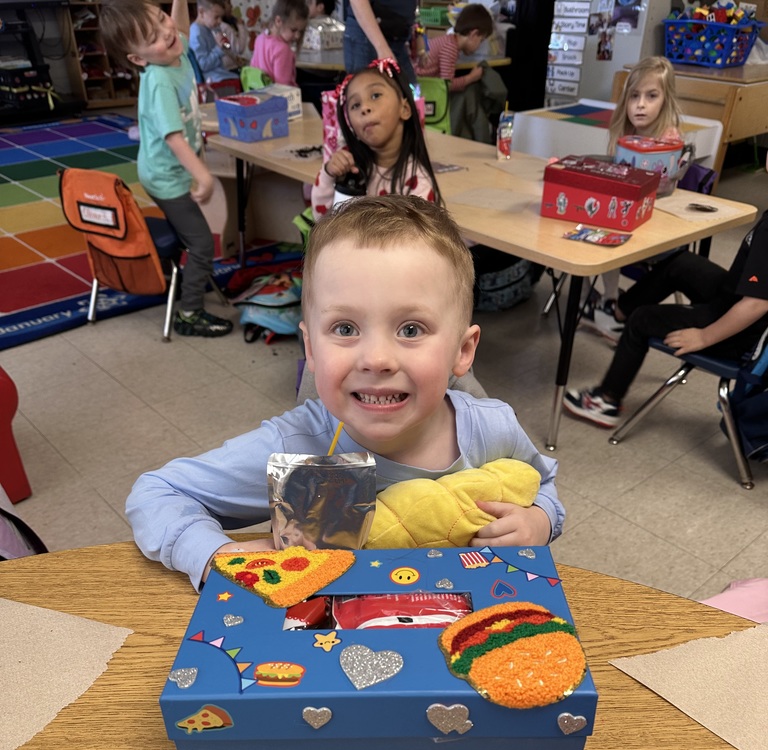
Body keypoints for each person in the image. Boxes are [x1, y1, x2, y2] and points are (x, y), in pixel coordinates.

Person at [126, 195, 565, 589]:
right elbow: (156, 493)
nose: (376, 358)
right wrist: (212, 555)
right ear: (311, 348)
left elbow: (542, 482)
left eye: (410, 329)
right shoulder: (297, 446)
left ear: (463, 349)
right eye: (345, 328)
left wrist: (540, 521)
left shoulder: (493, 428)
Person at [563, 196, 768, 429]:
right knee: (680, 263)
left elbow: (757, 304)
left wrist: (705, 337)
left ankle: (606, 401)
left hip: (739, 333)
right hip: (731, 298)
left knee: (642, 319)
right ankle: (617, 315)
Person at [100, 0, 233, 338]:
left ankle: (170, 270)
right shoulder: (159, 81)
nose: (167, 31)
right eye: (153, 35)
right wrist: (202, 173)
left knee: (190, 234)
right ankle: (189, 312)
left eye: (161, 18)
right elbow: (173, 137)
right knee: (202, 244)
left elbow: (181, 27)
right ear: (138, 58)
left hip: (167, 170)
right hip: (166, 177)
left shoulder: (174, 49)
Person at [584, 56, 684, 340]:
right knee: (597, 227)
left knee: (608, 231)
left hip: (658, 227)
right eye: (634, 96)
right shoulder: (626, 135)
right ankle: (609, 299)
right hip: (628, 218)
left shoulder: (668, 139)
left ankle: (612, 304)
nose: (640, 104)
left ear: (666, 100)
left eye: (651, 96)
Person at [311, 59, 441, 219]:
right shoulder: (349, 168)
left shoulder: (417, 182)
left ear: (405, 109)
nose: (365, 108)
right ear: (351, 125)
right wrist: (328, 174)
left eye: (375, 95)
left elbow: (416, 241)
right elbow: (321, 219)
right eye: (355, 105)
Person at [417, 4, 505, 144]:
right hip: (424, 90)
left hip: (424, 86)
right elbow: (447, 85)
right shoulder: (451, 48)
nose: (478, 47)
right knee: (470, 94)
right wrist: (471, 77)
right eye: (480, 41)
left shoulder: (449, 42)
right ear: (473, 34)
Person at [343, 0, 417, 85]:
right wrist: (381, 48)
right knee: (370, 91)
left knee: (409, 92)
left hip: (398, 35)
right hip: (369, 35)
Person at [251, 0, 309, 87]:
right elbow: (283, 88)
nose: (297, 36)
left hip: (260, 96)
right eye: (293, 30)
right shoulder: (283, 49)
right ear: (278, 21)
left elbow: (252, 69)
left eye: (300, 31)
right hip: (281, 98)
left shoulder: (260, 39)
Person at [190, 0, 242, 83]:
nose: (220, 21)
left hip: (220, 73)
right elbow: (203, 65)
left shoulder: (209, 28)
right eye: (216, 17)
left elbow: (227, 48)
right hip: (213, 80)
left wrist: (224, 42)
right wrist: (219, 49)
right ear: (201, 12)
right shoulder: (197, 34)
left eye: (221, 17)